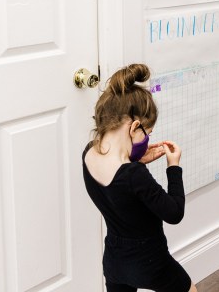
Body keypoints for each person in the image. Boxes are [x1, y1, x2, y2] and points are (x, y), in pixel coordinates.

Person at [82, 63, 197, 292]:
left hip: (114, 261)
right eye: (147, 133)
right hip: (150, 263)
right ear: (134, 126)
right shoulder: (134, 175)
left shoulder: (88, 154)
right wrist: (173, 167)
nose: (147, 139)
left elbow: (118, 192)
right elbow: (174, 213)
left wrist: (135, 159)